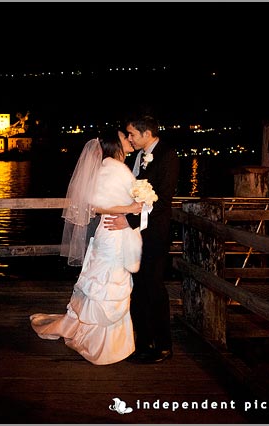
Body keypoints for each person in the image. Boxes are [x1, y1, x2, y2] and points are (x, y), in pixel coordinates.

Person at [29, 129, 149, 365]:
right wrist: (132, 209)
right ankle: (103, 346)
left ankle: (98, 338)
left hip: (110, 231)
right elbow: (96, 204)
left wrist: (130, 207)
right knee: (109, 283)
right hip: (115, 233)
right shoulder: (115, 168)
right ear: (116, 144)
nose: (129, 139)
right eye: (125, 137)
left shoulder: (106, 167)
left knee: (105, 282)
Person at [104, 114, 180, 364]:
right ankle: (143, 342)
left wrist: (129, 220)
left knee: (154, 288)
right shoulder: (138, 157)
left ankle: (163, 345)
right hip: (135, 236)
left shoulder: (168, 155)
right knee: (137, 289)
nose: (129, 138)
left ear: (146, 133)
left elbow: (162, 202)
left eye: (132, 134)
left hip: (155, 235)